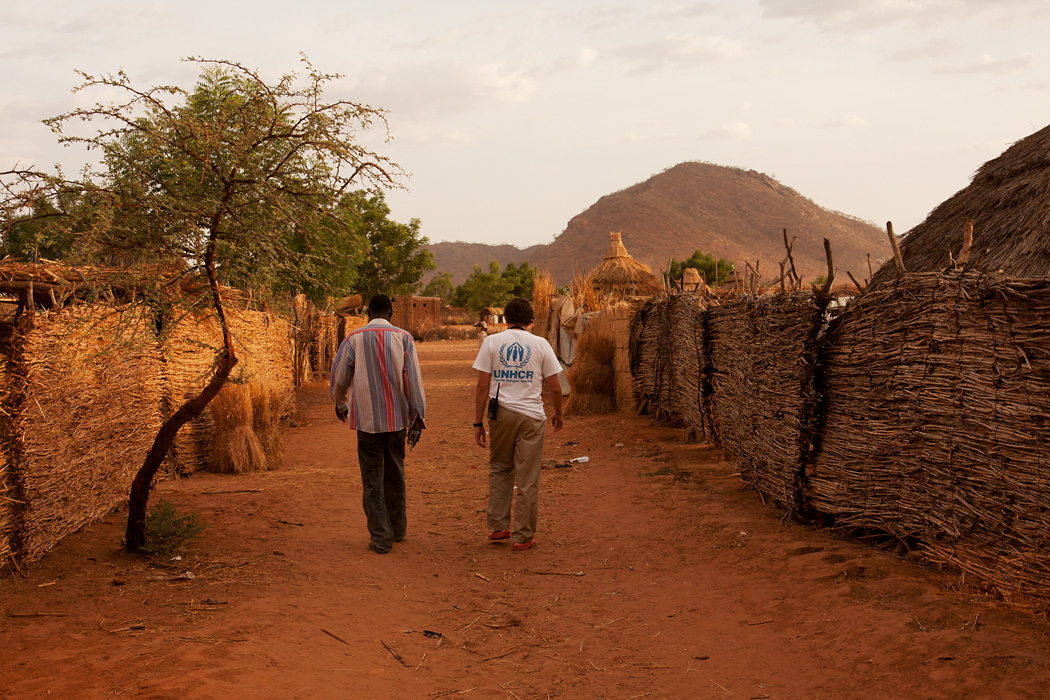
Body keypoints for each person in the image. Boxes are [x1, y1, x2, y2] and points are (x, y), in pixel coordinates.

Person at [330, 294, 426, 554]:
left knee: (372, 478)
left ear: (368, 314)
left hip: (367, 422)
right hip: (397, 421)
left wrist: (341, 404)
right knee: (395, 472)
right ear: (391, 313)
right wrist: (416, 418)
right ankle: (398, 528)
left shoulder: (353, 339)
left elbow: (340, 378)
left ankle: (381, 537)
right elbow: (413, 382)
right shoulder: (404, 338)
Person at [472, 297, 563, 551]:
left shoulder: (491, 342)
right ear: (530, 320)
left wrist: (478, 422)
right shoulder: (541, 344)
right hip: (532, 417)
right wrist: (558, 413)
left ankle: (499, 525)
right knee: (528, 477)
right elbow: (554, 387)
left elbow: (482, 385)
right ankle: (522, 536)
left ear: (507, 320)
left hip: (499, 415)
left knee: (500, 468)